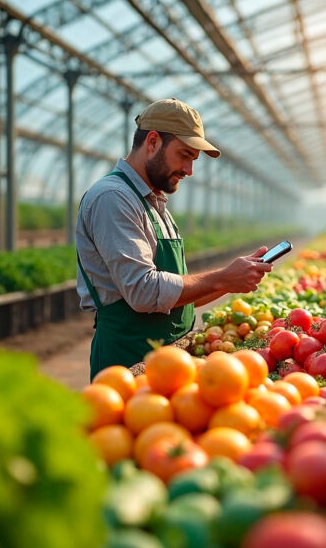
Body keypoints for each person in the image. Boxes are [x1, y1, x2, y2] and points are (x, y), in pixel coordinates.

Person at [76, 98, 272, 381]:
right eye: (185, 155)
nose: (189, 170)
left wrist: (231, 281)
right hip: (128, 359)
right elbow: (144, 291)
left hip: (168, 358)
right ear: (153, 142)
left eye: (193, 159)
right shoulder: (114, 198)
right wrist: (221, 278)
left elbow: (175, 295)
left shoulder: (153, 202)